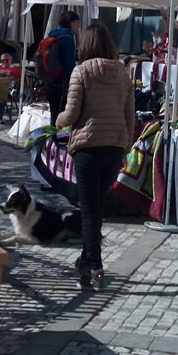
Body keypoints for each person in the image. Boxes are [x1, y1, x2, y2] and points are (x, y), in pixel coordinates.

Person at [55, 22, 135, 290]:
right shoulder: (123, 73)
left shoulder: (81, 72)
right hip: (114, 146)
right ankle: (86, 258)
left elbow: (72, 114)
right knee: (96, 207)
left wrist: (58, 120)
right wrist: (125, 146)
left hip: (88, 147)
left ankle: (94, 266)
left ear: (85, 45)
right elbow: (129, 116)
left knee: (89, 209)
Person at [40, 11, 80, 126]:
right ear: (71, 23)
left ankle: (52, 140)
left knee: (54, 115)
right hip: (61, 83)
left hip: (50, 80)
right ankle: (58, 141)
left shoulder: (52, 35)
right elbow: (69, 64)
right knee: (62, 117)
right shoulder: (67, 38)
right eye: (78, 22)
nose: (79, 26)